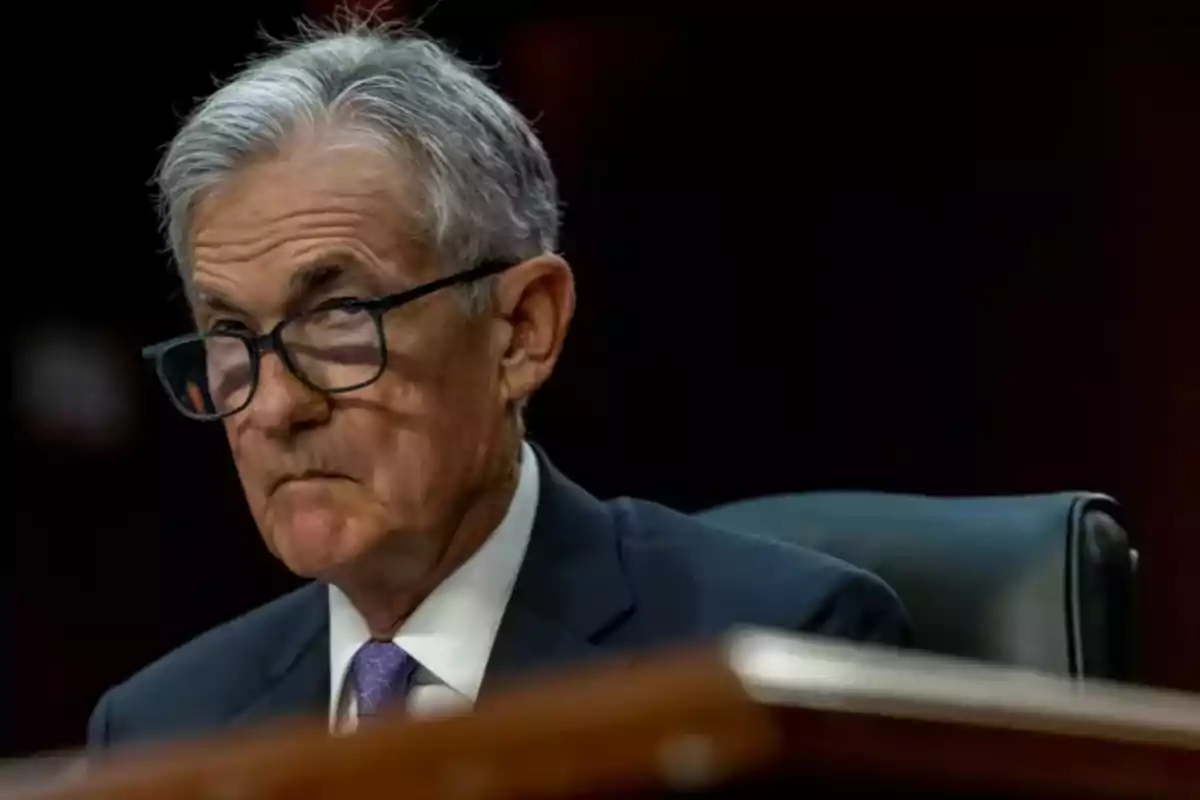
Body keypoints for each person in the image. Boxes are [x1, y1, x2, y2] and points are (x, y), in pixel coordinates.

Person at [88, 20, 910, 748]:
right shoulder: (162, 728)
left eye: (338, 317)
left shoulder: (779, 652)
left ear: (523, 329)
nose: (274, 406)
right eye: (231, 337)